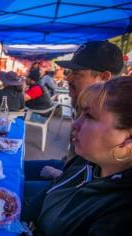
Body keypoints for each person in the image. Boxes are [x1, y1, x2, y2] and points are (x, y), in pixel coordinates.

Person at [22, 77, 132, 235]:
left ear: (127, 139)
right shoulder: (88, 160)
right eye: (80, 114)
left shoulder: (121, 216)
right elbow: (50, 191)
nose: (75, 124)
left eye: (90, 116)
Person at [24, 41, 124, 195]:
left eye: (77, 73)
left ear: (104, 77)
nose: (68, 78)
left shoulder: (117, 119)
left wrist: (61, 177)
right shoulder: (84, 103)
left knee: (10, 190)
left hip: (78, 187)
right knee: (14, 169)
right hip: (68, 167)